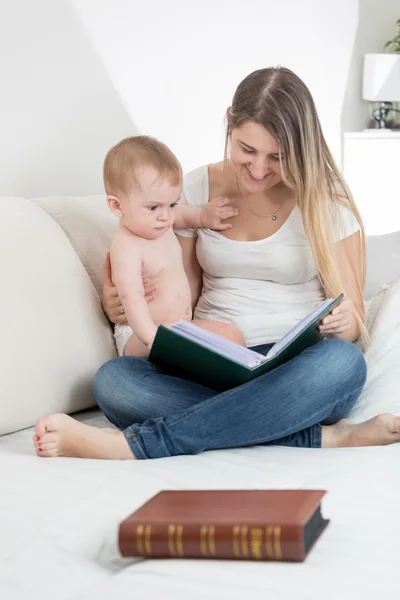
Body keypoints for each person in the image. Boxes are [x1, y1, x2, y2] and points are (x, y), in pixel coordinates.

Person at [32, 66, 400, 460]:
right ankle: (326, 436)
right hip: (210, 365)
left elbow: (352, 317)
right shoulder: (193, 191)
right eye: (247, 150)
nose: (259, 170)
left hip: (290, 367)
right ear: (230, 123)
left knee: (341, 365)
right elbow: (181, 296)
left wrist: (343, 323)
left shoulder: (327, 203)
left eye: (277, 157)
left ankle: (136, 445)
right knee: (115, 383)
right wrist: (123, 302)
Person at [103, 135, 244, 357]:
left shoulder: (159, 222)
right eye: (153, 207)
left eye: (172, 204)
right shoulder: (127, 246)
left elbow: (185, 216)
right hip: (139, 335)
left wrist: (203, 216)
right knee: (185, 343)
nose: (166, 216)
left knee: (231, 335)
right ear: (116, 205)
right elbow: (132, 298)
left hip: (178, 327)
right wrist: (152, 338)